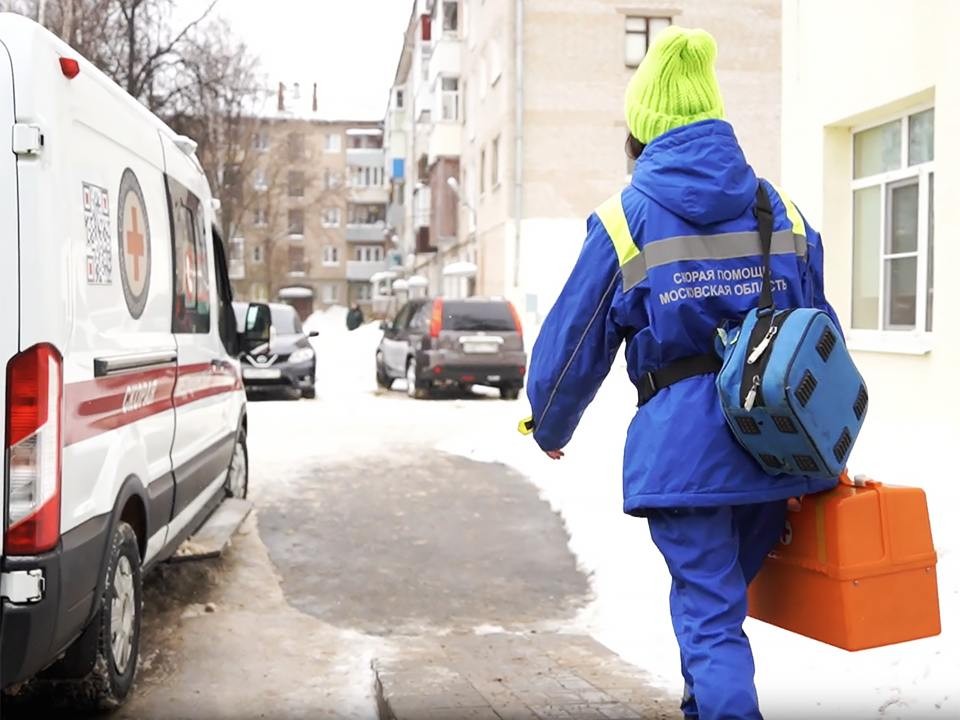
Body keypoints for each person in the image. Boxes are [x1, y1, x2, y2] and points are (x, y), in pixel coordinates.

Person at [524, 26, 840, 720]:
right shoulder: (780, 209)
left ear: (642, 132)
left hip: (686, 450)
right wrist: (835, 443)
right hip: (776, 447)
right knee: (716, 614)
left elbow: (575, 340)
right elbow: (822, 340)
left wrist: (548, 419)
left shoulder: (627, 219)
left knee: (709, 617)